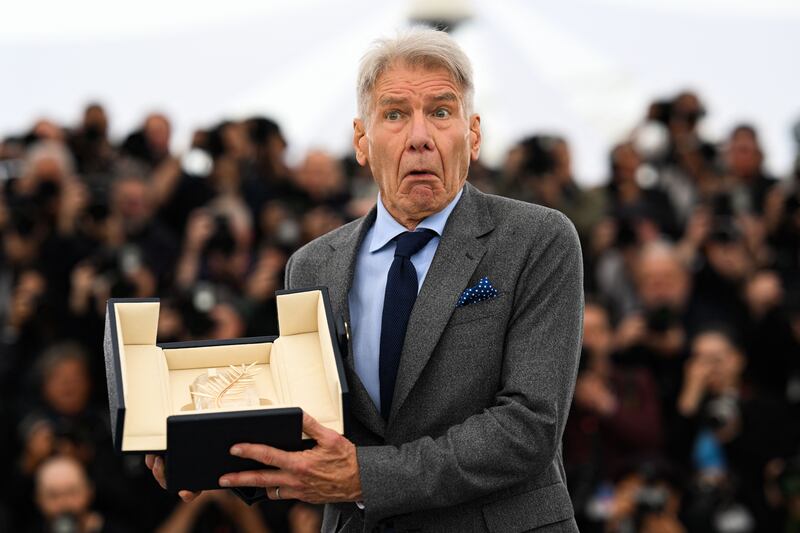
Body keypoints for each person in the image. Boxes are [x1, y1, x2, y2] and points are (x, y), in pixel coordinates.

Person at [148, 27, 584, 532]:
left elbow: (529, 427)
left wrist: (366, 478)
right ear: (362, 140)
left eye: (441, 112)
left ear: (474, 134)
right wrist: (215, 457)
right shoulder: (312, 266)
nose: (420, 136)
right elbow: (314, 432)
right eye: (395, 114)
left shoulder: (539, 239)